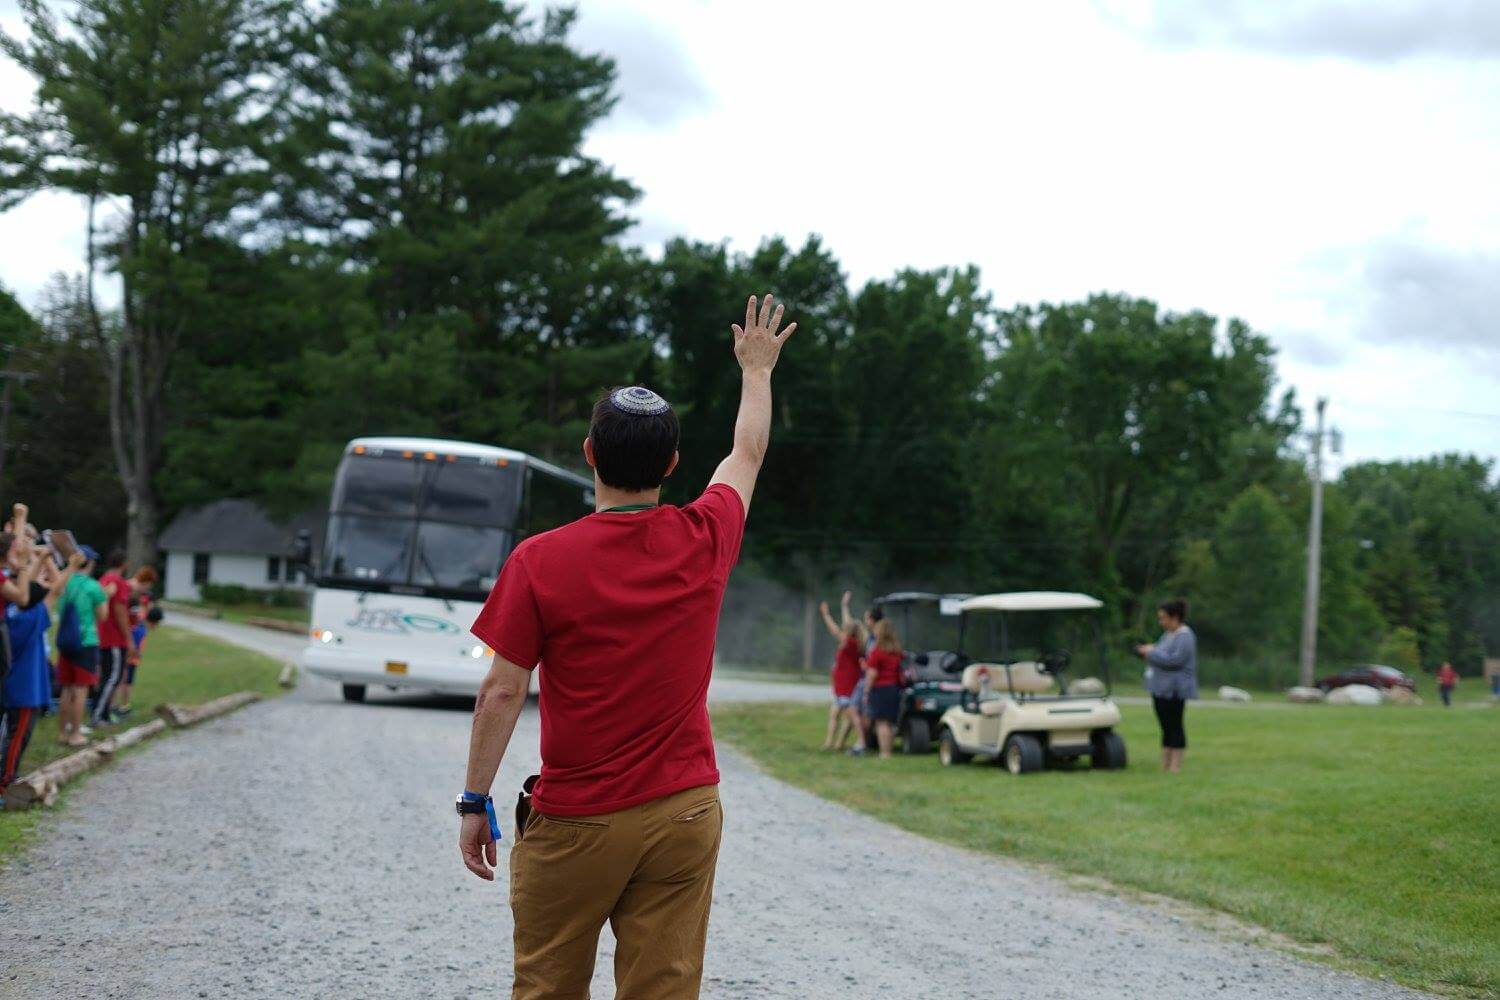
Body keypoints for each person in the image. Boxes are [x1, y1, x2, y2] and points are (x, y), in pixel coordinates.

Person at [457, 293, 796, 999]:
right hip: (685, 813)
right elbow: (749, 450)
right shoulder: (705, 535)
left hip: (578, 820)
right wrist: (756, 370)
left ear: (589, 454)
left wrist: (474, 800)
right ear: (671, 462)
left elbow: (502, 689)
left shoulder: (539, 561)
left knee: (548, 987)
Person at [1, 535, 79, 794]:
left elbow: (32, 588)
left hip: (11, 687)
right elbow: (56, 589)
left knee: (8, 735)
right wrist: (71, 566)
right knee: (17, 738)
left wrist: (40, 560)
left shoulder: (12, 614)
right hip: (25, 692)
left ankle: (7, 776)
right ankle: (6, 781)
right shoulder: (33, 617)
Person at [1134, 598, 1197, 773]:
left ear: (1174, 617)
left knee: (1175, 725)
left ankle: (1175, 766)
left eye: (1163, 618)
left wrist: (1150, 652)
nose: (1161, 622)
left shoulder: (1186, 636)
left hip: (1175, 690)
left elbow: (1174, 660)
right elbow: (1161, 652)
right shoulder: (1167, 635)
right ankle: (1165, 764)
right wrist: (1150, 650)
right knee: (1165, 726)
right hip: (1160, 688)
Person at [55, 544, 109, 746]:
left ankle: (62, 733)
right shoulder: (93, 586)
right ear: (90, 563)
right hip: (85, 642)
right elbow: (103, 615)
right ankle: (76, 734)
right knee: (80, 689)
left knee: (66, 688)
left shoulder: (63, 582)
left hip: (65, 641)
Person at [91, 549, 136, 726]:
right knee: (113, 677)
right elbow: (120, 612)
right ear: (124, 564)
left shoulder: (103, 580)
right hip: (114, 638)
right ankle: (99, 715)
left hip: (102, 635)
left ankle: (104, 712)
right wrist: (129, 638)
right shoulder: (119, 582)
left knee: (106, 676)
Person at [818, 591, 863, 751]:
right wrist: (844, 605)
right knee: (836, 714)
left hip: (847, 684)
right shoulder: (853, 641)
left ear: (850, 632)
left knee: (846, 716)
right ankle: (832, 743)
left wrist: (826, 615)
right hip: (842, 684)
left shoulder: (851, 643)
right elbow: (846, 624)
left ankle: (837, 743)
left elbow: (835, 630)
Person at [113, 564, 159, 717]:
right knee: (124, 672)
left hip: (133, 634)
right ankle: (118, 705)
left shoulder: (136, 592)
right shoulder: (130, 590)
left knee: (125, 672)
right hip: (130, 635)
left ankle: (121, 705)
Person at [861, 618, 905, 760]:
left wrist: (866, 691)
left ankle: (885, 753)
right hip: (894, 689)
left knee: (881, 723)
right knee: (890, 723)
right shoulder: (897, 652)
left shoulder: (877, 651)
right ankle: (889, 750)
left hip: (880, 689)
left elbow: (872, 673)